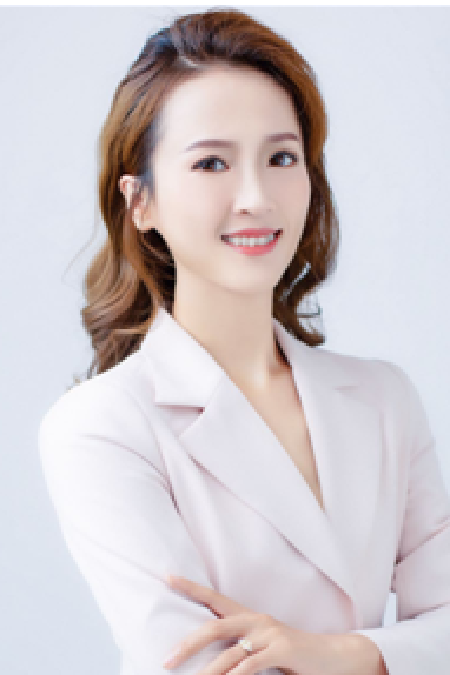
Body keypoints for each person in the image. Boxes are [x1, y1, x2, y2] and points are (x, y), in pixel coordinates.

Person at [38, 8, 450, 675]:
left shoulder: (384, 399)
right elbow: (197, 665)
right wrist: (395, 656)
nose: (256, 196)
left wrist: (337, 653)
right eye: (211, 163)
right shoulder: (101, 427)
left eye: (281, 157)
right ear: (140, 202)